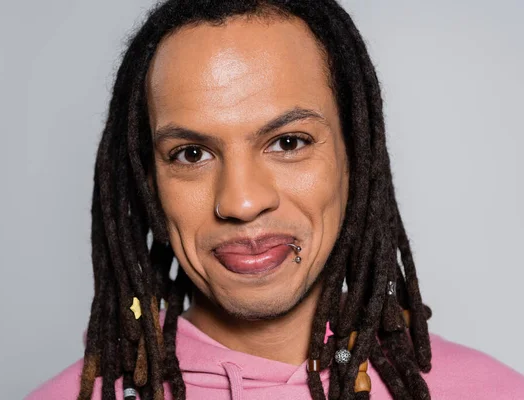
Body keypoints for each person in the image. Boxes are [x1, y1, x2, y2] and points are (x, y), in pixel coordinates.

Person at [26, 1, 524, 399]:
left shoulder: (497, 392)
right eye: (191, 153)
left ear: (357, 156)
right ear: (147, 181)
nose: (242, 202)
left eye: (288, 142)